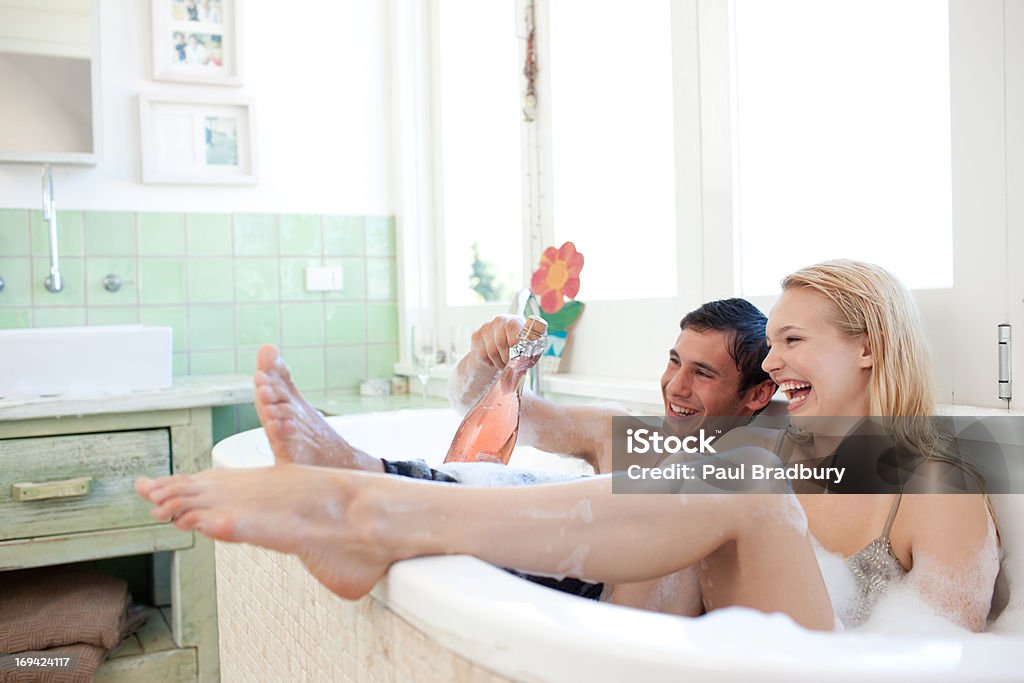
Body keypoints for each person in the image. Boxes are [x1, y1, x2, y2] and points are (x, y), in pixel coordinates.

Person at [136, 261, 999, 632]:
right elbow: (562, 432)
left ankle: (373, 505)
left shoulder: (935, 484)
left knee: (730, 480)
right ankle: (370, 488)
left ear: (870, 347)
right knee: (700, 469)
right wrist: (495, 373)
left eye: (793, 342)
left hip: (820, 668)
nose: (773, 363)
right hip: (702, 648)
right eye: (769, 343)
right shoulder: (777, 446)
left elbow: (938, 661)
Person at [236, 298, 777, 613]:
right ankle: (365, 487)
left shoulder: (765, 472)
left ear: (757, 394)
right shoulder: (621, 433)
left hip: (634, 652)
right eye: (674, 362)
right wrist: (487, 357)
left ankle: (365, 483)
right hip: (569, 609)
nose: (675, 387)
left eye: (702, 373)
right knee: (514, 484)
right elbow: (479, 403)